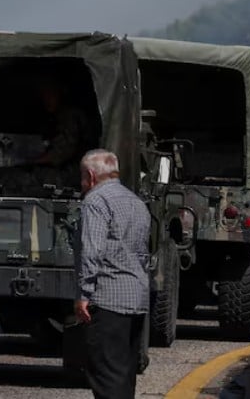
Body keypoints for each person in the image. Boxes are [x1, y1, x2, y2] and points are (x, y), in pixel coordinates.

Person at [74, 149, 150, 399]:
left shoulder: (95, 201)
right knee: (124, 375)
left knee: (106, 377)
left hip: (108, 300)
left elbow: (91, 250)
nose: (82, 183)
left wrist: (84, 293)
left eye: (82, 178)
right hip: (136, 299)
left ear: (91, 176)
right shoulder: (136, 202)